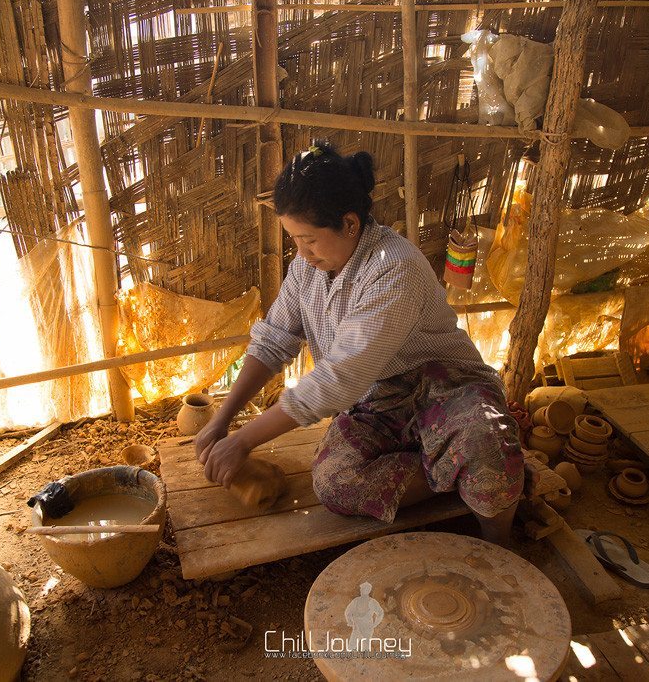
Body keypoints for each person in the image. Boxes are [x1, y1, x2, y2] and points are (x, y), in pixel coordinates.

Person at [195, 141, 523, 545]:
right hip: (380, 399)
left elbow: (338, 380)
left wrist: (244, 440)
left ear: (350, 223)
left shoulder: (393, 267)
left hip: (447, 384)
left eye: (310, 240)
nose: (303, 254)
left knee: (487, 451)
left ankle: (501, 543)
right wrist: (222, 420)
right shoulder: (306, 269)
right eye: (295, 240)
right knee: (335, 483)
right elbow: (274, 340)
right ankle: (458, 467)